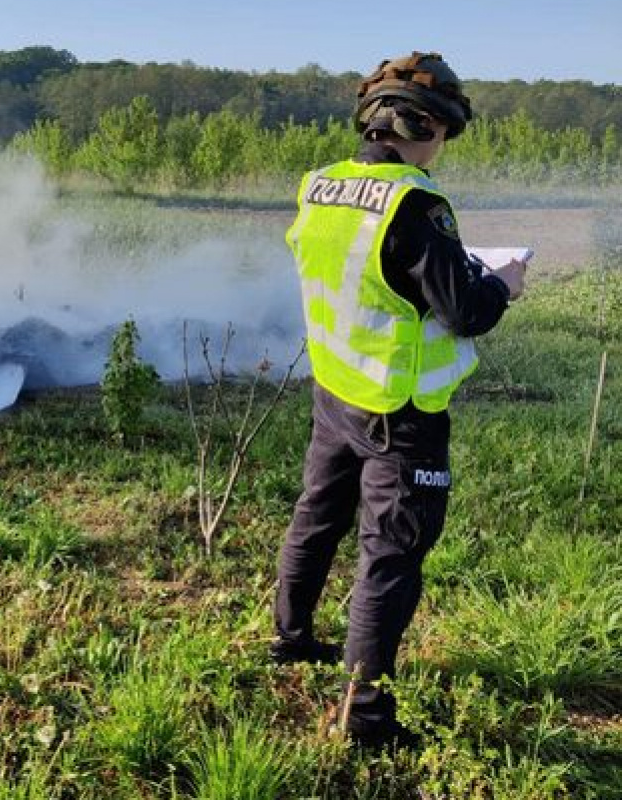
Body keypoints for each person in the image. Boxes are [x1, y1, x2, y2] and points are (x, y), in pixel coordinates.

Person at [271, 52, 528, 750]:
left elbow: (366, 275)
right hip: (400, 413)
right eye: (445, 136)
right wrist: (503, 281)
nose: (441, 152)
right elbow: (467, 311)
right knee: (391, 553)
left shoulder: (321, 187)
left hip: (334, 392)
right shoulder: (415, 205)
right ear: (429, 126)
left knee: (317, 517)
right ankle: (365, 718)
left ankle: (289, 636)